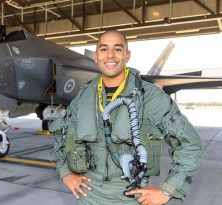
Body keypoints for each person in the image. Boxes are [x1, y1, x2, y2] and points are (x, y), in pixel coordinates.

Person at [51, 30, 203, 205]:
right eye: (103, 49)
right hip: (89, 197)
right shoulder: (83, 97)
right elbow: (60, 134)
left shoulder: (150, 96)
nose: (110, 55)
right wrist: (65, 173)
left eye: (117, 49)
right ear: (96, 55)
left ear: (127, 55)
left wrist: (168, 189)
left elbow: (190, 144)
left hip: (132, 197)